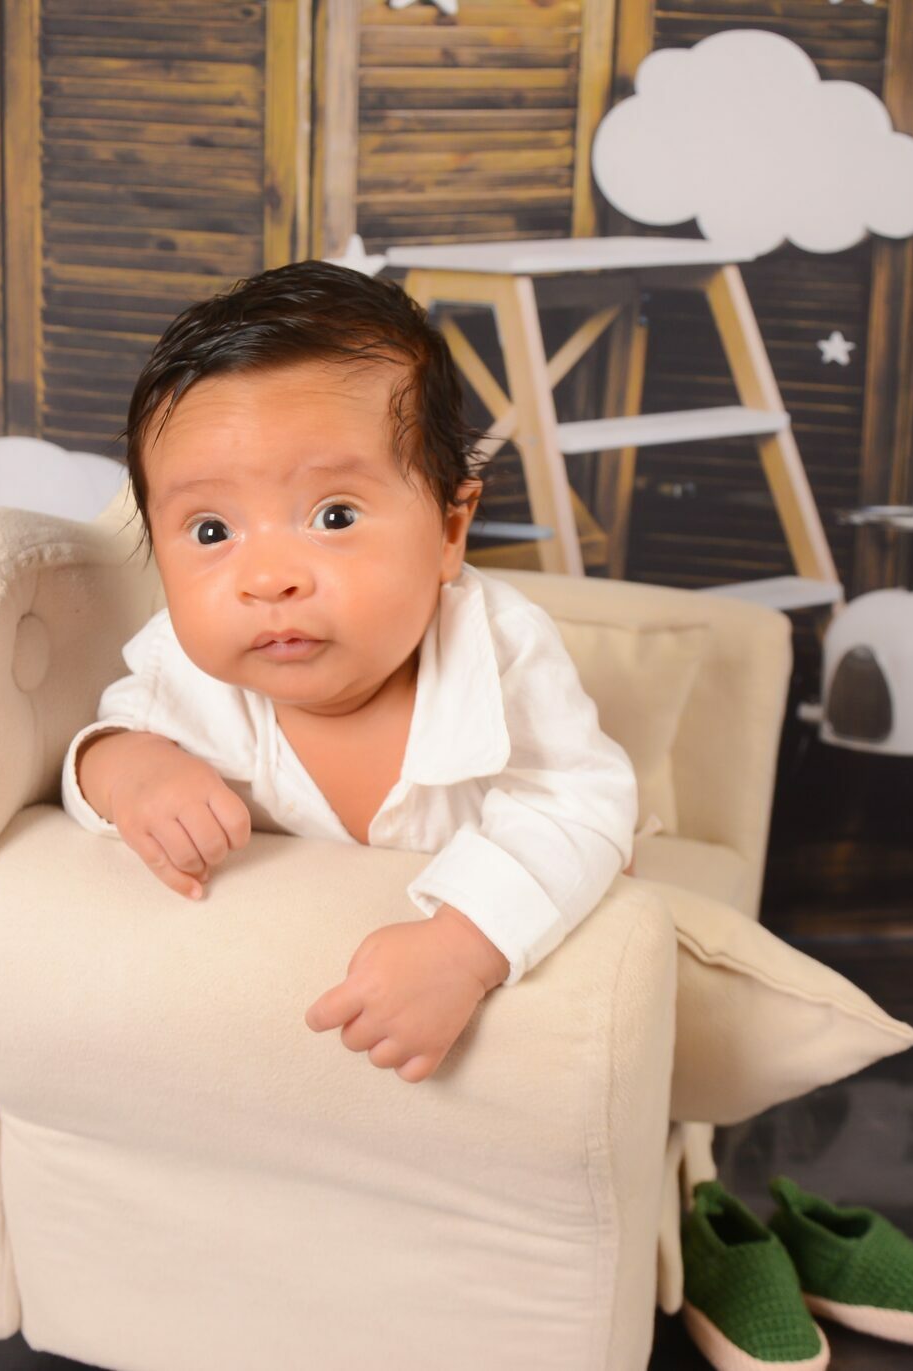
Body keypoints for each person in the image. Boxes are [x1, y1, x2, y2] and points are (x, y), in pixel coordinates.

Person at [61, 258, 644, 1085]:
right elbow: (100, 745)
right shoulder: (179, 665)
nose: (268, 578)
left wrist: (464, 945)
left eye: (334, 515)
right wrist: (129, 769)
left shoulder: (498, 649)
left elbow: (582, 797)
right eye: (212, 531)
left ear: (449, 531)